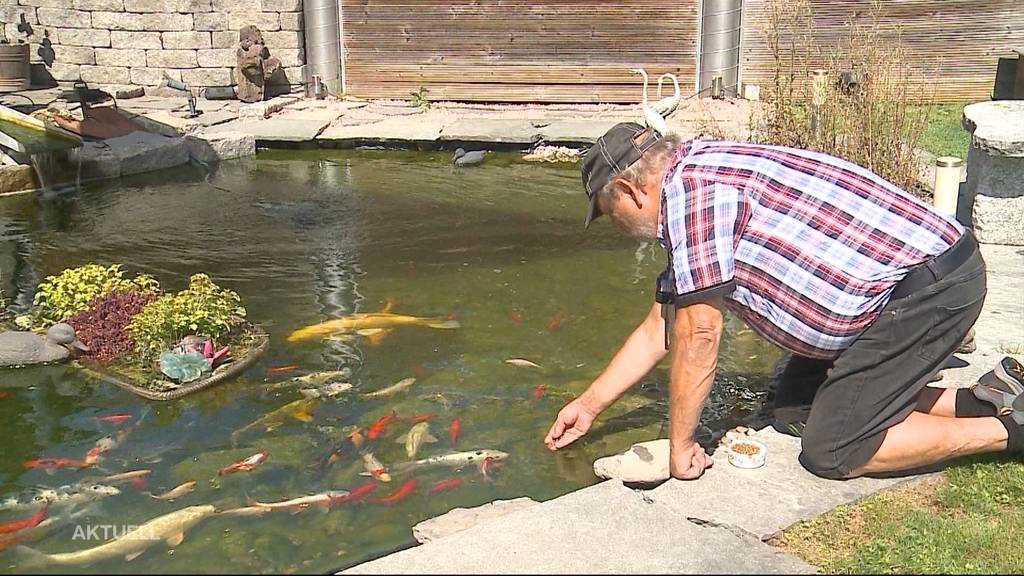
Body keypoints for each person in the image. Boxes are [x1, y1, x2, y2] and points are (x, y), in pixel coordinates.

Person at [544, 122, 1019, 481]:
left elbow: (699, 336)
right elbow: (661, 328)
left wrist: (681, 444)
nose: (618, 226)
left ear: (631, 190)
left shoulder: (692, 196)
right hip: (902, 288)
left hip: (926, 289)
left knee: (833, 448)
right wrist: (587, 407)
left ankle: (1010, 433)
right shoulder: (698, 173)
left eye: (612, 214)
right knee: (795, 407)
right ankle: (986, 399)